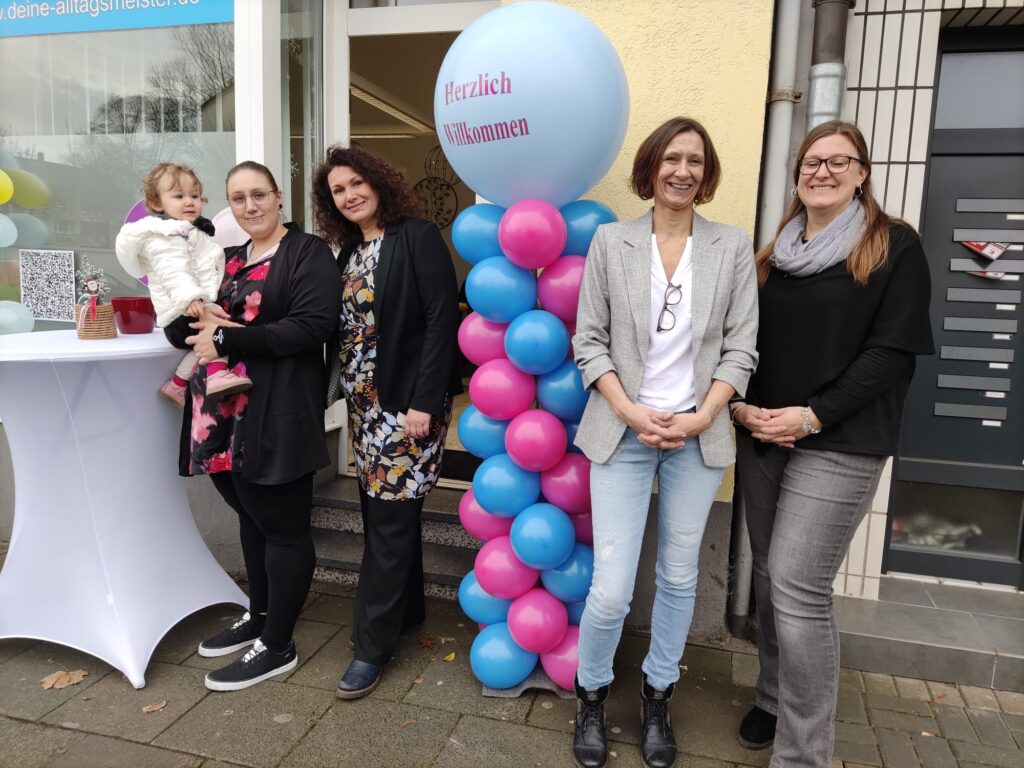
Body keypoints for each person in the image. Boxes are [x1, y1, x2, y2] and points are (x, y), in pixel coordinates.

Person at [731, 120, 933, 767]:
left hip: (839, 439)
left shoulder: (893, 246)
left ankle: (804, 753)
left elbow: (891, 356)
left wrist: (811, 417)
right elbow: (746, 340)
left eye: (837, 161)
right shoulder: (776, 252)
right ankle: (771, 695)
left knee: (797, 586)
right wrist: (739, 405)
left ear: (862, 172)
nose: (821, 171)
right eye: (811, 162)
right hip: (762, 433)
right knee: (767, 574)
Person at [572, 117, 759, 768]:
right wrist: (628, 409)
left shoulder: (732, 247)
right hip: (623, 430)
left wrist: (704, 415)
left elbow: (741, 347)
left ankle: (657, 694)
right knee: (612, 589)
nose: (683, 170)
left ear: (706, 175)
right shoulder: (610, 241)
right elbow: (588, 340)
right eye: (672, 158)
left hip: (695, 436)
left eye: (696, 161)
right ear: (651, 166)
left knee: (679, 577)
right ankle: (591, 694)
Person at [163, 161, 342, 691]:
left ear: (279, 197)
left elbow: (311, 328)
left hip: (277, 414)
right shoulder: (226, 259)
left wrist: (226, 339)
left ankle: (278, 644)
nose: (250, 206)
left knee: (283, 527)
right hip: (219, 416)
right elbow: (186, 329)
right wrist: (182, 314)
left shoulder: (307, 254)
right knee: (251, 514)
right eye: (238, 199)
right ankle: (260, 615)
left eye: (258, 194)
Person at [312, 145, 461, 700]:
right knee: (381, 512)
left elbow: (439, 320)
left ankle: (370, 648)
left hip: (407, 406)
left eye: (356, 184)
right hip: (364, 408)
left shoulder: (415, 236)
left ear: (378, 182)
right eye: (337, 191)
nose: (349, 196)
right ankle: (406, 613)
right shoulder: (347, 251)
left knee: (392, 520)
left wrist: (424, 402)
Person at [116, 162, 252, 406]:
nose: (189, 202)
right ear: (157, 203)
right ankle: (217, 374)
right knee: (221, 331)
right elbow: (172, 270)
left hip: (185, 310)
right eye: (179, 196)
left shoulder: (188, 233)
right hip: (181, 312)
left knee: (205, 342)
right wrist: (190, 298)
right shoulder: (164, 238)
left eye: (195, 195)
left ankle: (178, 384)